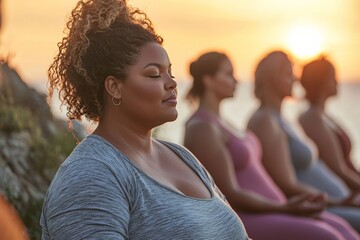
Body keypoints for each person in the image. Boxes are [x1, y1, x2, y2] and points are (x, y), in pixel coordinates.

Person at [40, 1, 249, 239]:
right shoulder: (91, 175)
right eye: (154, 74)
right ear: (115, 88)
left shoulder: (183, 157)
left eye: (170, 72)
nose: (171, 83)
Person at [183, 51, 359, 240]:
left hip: (275, 209)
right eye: (228, 74)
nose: (236, 80)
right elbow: (229, 194)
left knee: (341, 228)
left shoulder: (224, 123)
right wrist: (285, 207)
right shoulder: (202, 128)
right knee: (330, 236)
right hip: (250, 217)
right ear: (208, 80)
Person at [247, 50, 360, 233]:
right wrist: (336, 200)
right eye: (288, 74)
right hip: (323, 205)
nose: (295, 79)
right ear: (272, 79)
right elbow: (286, 183)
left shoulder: (284, 118)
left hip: (337, 201)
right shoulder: (265, 121)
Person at [299, 57, 360, 190]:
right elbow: (339, 170)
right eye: (333, 77)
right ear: (320, 81)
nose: (337, 82)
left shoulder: (324, 116)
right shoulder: (311, 118)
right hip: (343, 195)